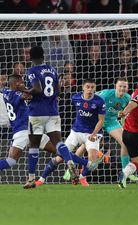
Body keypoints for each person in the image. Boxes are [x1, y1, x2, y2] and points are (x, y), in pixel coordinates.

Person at [64, 77, 138, 183]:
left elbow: (125, 112)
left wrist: (123, 121)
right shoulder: (106, 95)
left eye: (124, 86)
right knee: (85, 146)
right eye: (120, 86)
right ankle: (69, 170)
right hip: (97, 121)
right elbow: (91, 98)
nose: (122, 88)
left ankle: (126, 172)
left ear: (128, 87)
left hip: (111, 122)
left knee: (125, 142)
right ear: (115, 86)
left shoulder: (127, 98)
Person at [23, 46, 79, 188]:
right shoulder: (53, 70)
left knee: (34, 146)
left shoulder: (32, 71)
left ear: (31, 57)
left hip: (36, 113)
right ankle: (70, 162)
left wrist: (25, 91)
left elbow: (37, 89)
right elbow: (59, 91)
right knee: (59, 142)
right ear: (43, 55)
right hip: (53, 111)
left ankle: (31, 179)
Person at [35, 79, 106, 187]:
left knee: (92, 161)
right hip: (76, 132)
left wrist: (94, 134)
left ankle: (82, 177)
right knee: (59, 157)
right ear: (83, 87)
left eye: (92, 87)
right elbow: (63, 103)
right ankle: (41, 179)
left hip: (92, 134)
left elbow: (101, 120)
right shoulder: (75, 97)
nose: (90, 89)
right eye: (88, 87)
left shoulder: (99, 101)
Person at [1, 75, 56, 181]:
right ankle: (85, 163)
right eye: (21, 82)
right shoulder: (16, 94)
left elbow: (7, 90)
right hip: (24, 130)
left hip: (22, 131)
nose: (23, 84)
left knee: (11, 161)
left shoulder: (6, 93)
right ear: (16, 84)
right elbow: (27, 96)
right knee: (59, 151)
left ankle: (85, 164)